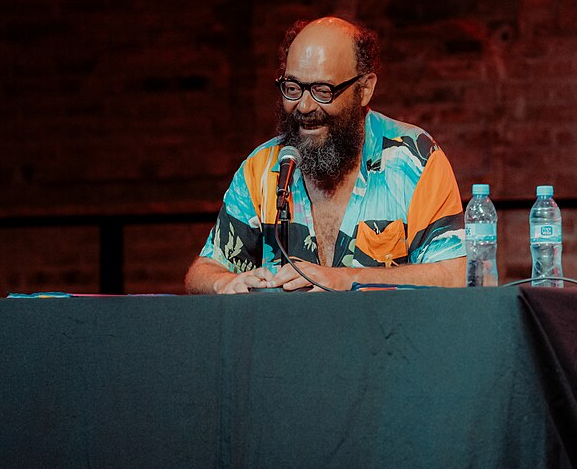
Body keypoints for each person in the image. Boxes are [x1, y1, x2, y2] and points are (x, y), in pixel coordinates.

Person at [185, 16, 466, 294]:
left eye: (323, 91)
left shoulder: (415, 160)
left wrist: (346, 280)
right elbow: (202, 271)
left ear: (364, 89)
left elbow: (457, 275)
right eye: (292, 88)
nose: (304, 106)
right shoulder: (261, 168)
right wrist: (225, 283)